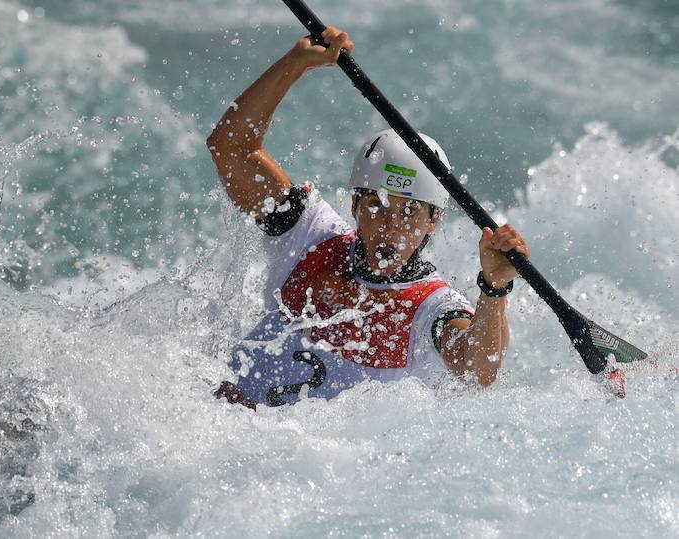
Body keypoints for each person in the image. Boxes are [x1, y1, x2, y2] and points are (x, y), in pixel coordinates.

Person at [207, 27, 531, 410]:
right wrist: (296, 64)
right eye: (376, 205)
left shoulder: (433, 309)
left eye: (410, 211)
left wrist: (493, 290)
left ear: (434, 221)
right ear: (355, 207)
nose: (391, 226)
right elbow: (230, 147)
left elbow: (478, 373)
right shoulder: (309, 237)